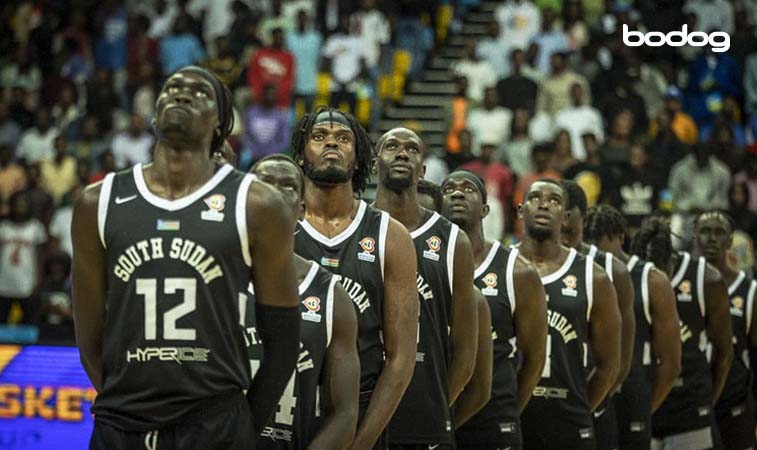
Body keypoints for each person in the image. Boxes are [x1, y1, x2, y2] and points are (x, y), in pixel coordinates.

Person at [71, 66, 301, 449]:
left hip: (216, 422)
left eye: (199, 93)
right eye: (173, 89)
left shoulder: (257, 204)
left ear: (220, 123)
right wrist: (132, 407)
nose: (181, 95)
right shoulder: (99, 201)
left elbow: (282, 346)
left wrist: (241, 425)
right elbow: (89, 338)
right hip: (120, 425)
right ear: (154, 112)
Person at [292, 108, 418, 450]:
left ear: (360, 160)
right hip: (285, 405)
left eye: (343, 138)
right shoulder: (278, 228)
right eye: (319, 137)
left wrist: (361, 443)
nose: (331, 142)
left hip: (360, 408)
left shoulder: (390, 236)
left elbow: (401, 359)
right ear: (301, 157)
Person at [372, 129, 478, 450]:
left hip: (423, 414)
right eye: (391, 146)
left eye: (412, 149)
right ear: (375, 164)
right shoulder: (355, 228)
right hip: (359, 404)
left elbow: (465, 351)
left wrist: (435, 402)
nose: (402, 153)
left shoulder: (452, 241)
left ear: (423, 170)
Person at [248, 154, 360, 450]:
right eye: (264, 182)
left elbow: (345, 412)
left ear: (301, 209)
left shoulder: (331, 295)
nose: (273, 191)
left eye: (286, 186)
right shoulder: (215, 275)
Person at [441, 170, 548, 449]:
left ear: (486, 209)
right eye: (449, 189)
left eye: (468, 189)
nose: (457, 193)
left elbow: (534, 359)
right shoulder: (421, 262)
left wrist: (508, 408)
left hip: (493, 419)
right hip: (435, 415)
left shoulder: (518, 271)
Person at [517, 179, 621, 449]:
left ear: (565, 217)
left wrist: (581, 405)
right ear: (520, 210)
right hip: (511, 418)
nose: (543, 204)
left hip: (568, 420)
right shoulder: (501, 266)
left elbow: (609, 364)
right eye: (535, 197)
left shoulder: (593, 276)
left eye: (553, 200)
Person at [584, 205, 682, 450]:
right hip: (592, 386)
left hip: (632, 391)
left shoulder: (652, 279)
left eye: (600, 240)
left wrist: (644, 406)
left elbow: (671, 364)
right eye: (589, 241)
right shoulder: (584, 275)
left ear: (620, 237)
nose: (593, 248)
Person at [631, 216, 732, 449]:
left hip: (689, 405)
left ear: (670, 260)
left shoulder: (707, 279)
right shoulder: (630, 275)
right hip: (644, 403)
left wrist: (707, 401)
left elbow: (725, 353)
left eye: (657, 271)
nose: (653, 279)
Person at [560, 180, 636, 450]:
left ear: (584, 215)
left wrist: (586, 405)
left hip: (591, 401)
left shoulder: (611, 270)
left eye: (570, 213)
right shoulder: (527, 264)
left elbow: (622, 360)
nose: (564, 221)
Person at [694, 211, 757, 450]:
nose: (712, 238)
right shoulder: (677, 285)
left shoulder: (750, 291)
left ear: (730, 241)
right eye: (705, 231)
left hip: (734, 407)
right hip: (691, 406)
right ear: (694, 236)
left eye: (719, 233)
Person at [0, 190, 47, 324]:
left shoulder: (36, 227)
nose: (20, 207)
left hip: (27, 283)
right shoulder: (4, 227)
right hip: (4, 283)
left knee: (29, 323)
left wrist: (39, 280)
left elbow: (40, 257)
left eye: (23, 204)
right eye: (17, 204)